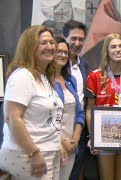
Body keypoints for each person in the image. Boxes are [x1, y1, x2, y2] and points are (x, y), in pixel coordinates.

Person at [0, 25, 63, 179]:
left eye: (51, 42)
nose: (50, 47)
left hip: (47, 152)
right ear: (30, 47)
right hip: (27, 154)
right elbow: (12, 118)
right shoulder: (23, 76)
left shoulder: (44, 77)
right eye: (43, 43)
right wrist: (33, 153)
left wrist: (57, 145)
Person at [86, 33, 121, 180]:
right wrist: (93, 136)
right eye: (113, 47)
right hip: (104, 135)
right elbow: (89, 109)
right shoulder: (95, 76)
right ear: (107, 51)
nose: (118, 49)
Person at [61, 19, 91, 180]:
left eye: (81, 39)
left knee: (74, 172)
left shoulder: (85, 66)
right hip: (58, 130)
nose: (77, 43)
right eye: (73, 38)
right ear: (63, 37)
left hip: (79, 131)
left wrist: (78, 134)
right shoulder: (55, 66)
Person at [53, 37, 85, 180]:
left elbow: (80, 112)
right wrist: (61, 141)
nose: (63, 55)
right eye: (59, 51)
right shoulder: (43, 80)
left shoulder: (70, 80)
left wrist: (75, 139)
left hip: (71, 145)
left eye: (65, 52)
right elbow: (44, 117)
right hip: (53, 145)